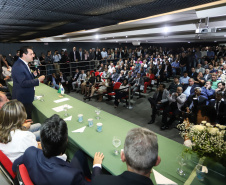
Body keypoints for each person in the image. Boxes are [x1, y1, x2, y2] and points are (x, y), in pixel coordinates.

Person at [12, 114, 104, 185]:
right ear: (66, 140)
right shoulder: (71, 175)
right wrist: (96, 166)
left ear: (41, 140)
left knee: (80, 154)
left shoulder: (30, 152)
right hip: (63, 175)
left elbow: (14, 167)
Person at [92, 127, 161, 185]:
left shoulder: (99, 181)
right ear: (157, 161)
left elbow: (96, 179)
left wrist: (97, 165)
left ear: (122, 156)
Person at [11, 46, 45, 119]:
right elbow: (23, 83)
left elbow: (25, 78)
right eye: (31, 54)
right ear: (24, 55)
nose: (33, 55)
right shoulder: (18, 66)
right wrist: (38, 80)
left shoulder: (23, 64)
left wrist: (33, 75)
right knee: (25, 120)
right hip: (23, 100)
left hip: (25, 98)